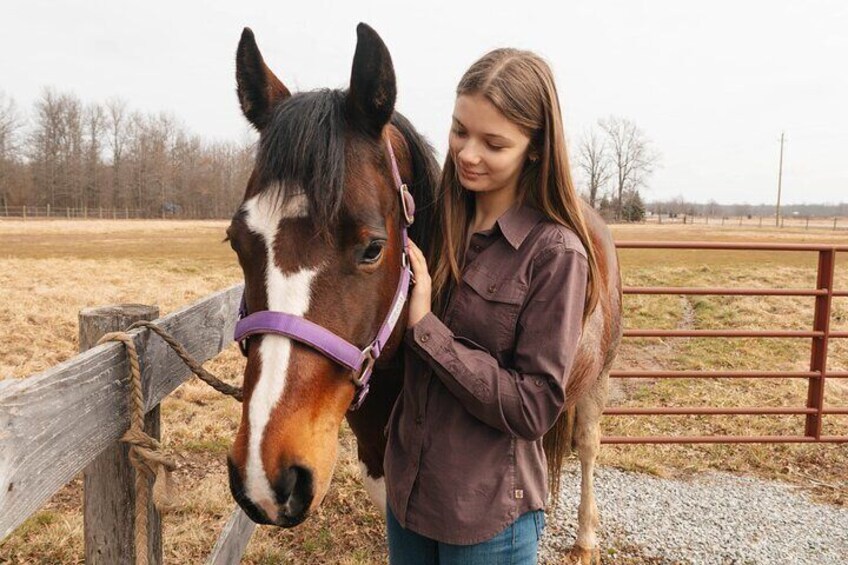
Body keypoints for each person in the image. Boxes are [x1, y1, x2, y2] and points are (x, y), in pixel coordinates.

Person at [383, 47, 601, 564]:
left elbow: (534, 406)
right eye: (460, 131)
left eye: (493, 143)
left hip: (484, 519)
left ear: (534, 149)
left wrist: (427, 328)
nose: (467, 153)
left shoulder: (555, 253)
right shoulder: (435, 225)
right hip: (407, 496)